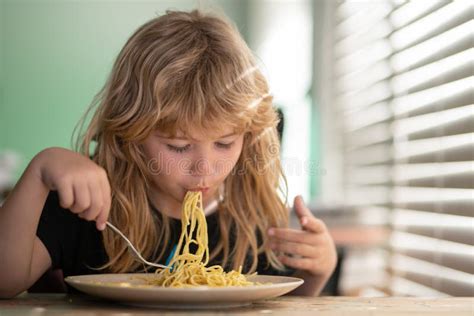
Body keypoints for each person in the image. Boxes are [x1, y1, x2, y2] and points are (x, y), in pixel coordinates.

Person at [0, 9, 337, 298]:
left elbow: (280, 300)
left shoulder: (252, 218)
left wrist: (319, 271)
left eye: (224, 143)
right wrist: (39, 172)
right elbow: (5, 283)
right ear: (131, 134)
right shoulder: (87, 208)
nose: (204, 168)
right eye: (178, 146)